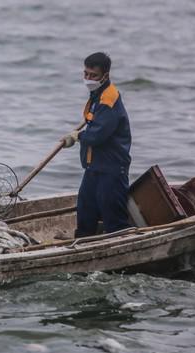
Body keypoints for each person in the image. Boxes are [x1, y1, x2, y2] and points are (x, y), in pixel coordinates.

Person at [61, 52, 132, 238]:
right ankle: (82, 242)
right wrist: (76, 136)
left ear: (105, 76)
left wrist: (77, 136)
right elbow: (92, 123)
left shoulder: (108, 99)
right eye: (85, 74)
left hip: (112, 168)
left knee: (113, 218)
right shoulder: (97, 95)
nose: (88, 79)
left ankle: (118, 251)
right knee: (85, 208)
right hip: (94, 166)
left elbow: (97, 136)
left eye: (93, 75)